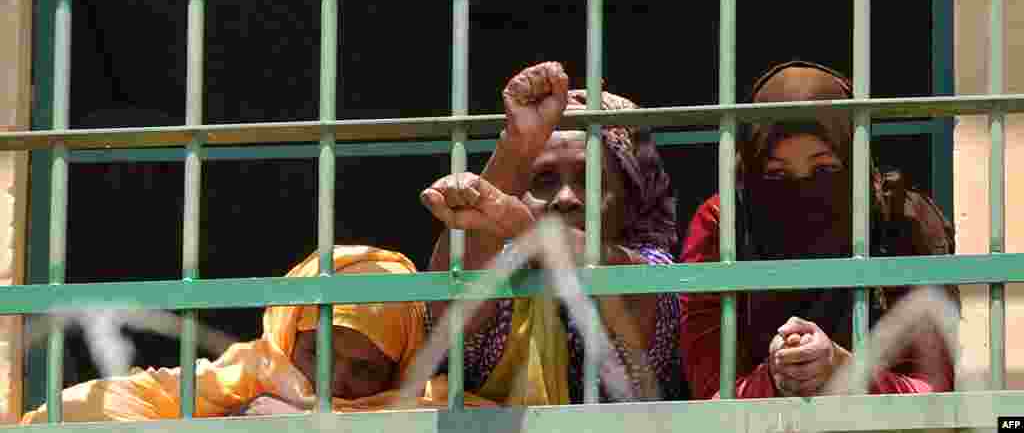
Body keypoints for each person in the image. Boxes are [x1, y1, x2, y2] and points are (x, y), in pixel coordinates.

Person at [679, 61, 959, 399]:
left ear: (854, 161)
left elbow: (934, 392)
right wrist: (775, 377)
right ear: (750, 171)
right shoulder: (723, 224)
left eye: (824, 169)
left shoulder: (900, 219)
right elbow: (709, 395)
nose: (802, 193)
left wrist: (845, 371)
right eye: (777, 175)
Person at [421, 62, 682, 404]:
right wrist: (515, 146)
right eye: (543, 181)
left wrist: (523, 227)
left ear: (630, 196)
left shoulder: (654, 268)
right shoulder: (502, 270)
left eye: (589, 181)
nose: (564, 198)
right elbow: (449, 312)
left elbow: (622, 285)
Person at [22, 245, 493, 423]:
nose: (336, 380)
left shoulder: (429, 411)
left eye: (366, 369)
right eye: (319, 354)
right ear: (290, 336)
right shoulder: (245, 376)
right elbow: (89, 413)